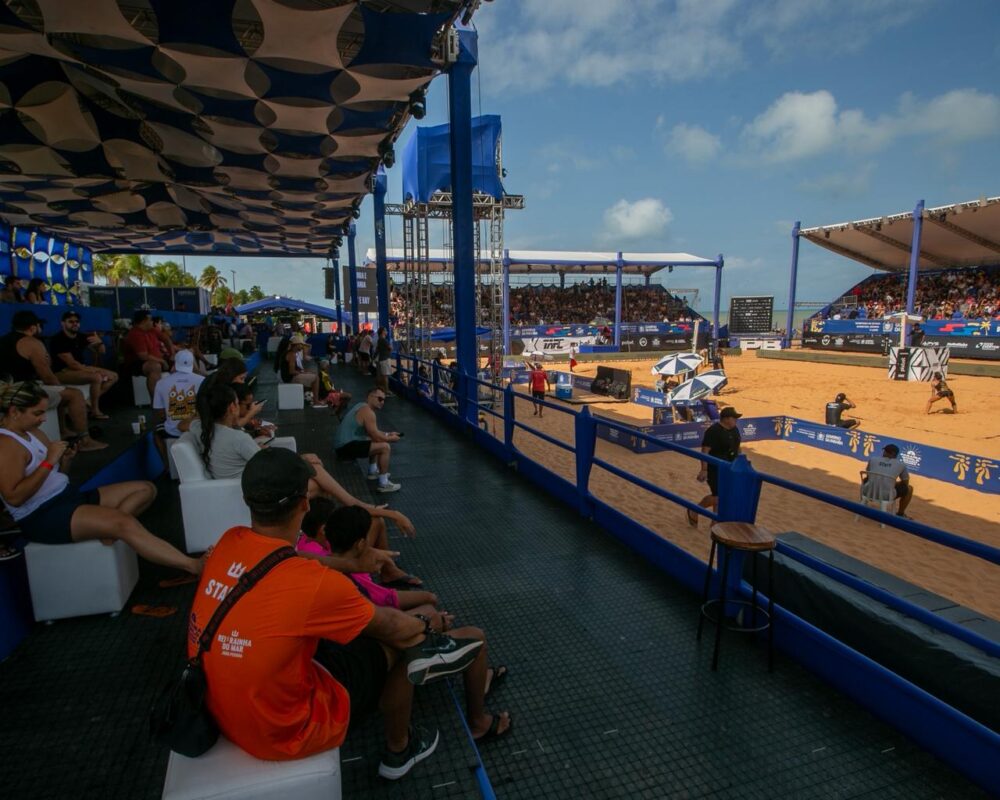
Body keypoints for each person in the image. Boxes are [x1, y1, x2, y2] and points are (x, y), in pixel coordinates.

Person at [188, 448, 486, 777]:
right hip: (285, 730)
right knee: (401, 645)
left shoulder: (228, 542)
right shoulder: (314, 584)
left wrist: (345, 564)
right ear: (305, 504)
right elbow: (394, 627)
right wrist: (430, 623)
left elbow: (289, 556)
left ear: (249, 502)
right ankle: (400, 749)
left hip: (218, 708)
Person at [308, 503, 512, 743]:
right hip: (363, 668)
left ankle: (472, 671)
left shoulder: (316, 570)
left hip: (343, 657)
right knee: (475, 637)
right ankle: (479, 722)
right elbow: (390, 626)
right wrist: (428, 622)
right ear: (362, 544)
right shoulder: (344, 586)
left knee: (427, 617)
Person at [0, 381, 202, 573]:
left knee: (146, 489)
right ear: (14, 412)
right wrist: (48, 462)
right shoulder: (6, 445)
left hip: (66, 496)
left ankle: (108, 531)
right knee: (125, 524)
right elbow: (14, 497)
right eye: (37, 413)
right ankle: (192, 566)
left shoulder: (33, 432)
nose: (43, 418)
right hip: (43, 515)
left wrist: (64, 462)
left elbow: (50, 477)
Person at [0, 310, 106, 450]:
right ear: (33, 327)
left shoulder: (2, 340)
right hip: (23, 392)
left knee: (58, 392)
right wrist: (60, 387)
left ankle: (63, 430)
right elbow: (47, 376)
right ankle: (84, 440)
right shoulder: (32, 342)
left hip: (5, 391)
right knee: (74, 395)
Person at [48, 310, 118, 420]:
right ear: (63, 323)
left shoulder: (80, 336)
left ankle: (87, 402)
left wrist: (99, 342)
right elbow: (72, 364)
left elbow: (102, 351)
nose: (75, 324)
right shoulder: (58, 339)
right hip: (61, 371)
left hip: (79, 368)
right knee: (96, 377)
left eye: (77, 321)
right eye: (71, 321)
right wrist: (92, 371)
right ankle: (95, 411)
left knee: (113, 376)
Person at [333, 387, 401, 493]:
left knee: (373, 438)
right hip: (344, 448)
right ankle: (384, 483)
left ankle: (373, 471)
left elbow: (374, 432)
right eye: (379, 399)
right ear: (370, 397)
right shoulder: (368, 412)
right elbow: (377, 436)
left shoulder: (361, 406)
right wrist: (391, 439)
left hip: (341, 446)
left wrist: (388, 434)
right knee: (385, 447)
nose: (382, 402)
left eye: (384, 400)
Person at [688, 406, 742, 527]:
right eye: (735, 418)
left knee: (722, 495)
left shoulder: (735, 430)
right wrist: (704, 469)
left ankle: (715, 520)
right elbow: (705, 450)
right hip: (715, 468)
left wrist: (741, 461)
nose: (736, 420)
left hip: (730, 467)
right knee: (718, 497)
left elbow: (737, 447)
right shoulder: (713, 431)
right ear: (727, 419)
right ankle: (695, 509)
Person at [152, 350, 204, 461]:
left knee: (156, 433)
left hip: (172, 432)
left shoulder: (161, 383)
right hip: (196, 429)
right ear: (192, 364)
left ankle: (168, 466)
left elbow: (160, 412)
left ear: (175, 364)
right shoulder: (202, 380)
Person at [123, 310, 169, 402]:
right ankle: (156, 402)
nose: (152, 322)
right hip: (135, 363)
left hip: (154, 359)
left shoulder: (151, 330)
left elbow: (166, 339)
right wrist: (162, 361)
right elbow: (143, 356)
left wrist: (172, 353)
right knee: (154, 366)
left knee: (183, 358)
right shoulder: (135, 334)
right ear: (144, 321)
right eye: (150, 320)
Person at [863, 443, 914, 519]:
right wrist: (893, 483)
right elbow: (905, 484)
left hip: (868, 491)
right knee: (909, 489)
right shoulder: (901, 464)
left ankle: (865, 503)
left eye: (885, 451)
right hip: (887, 495)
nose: (883, 453)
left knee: (866, 479)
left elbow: (868, 475)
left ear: (891, 453)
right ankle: (900, 513)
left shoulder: (873, 459)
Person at [281, 334, 327, 408]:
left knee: (312, 374)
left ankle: (313, 398)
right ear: (296, 345)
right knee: (316, 378)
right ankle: (316, 401)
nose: (302, 347)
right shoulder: (292, 355)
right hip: (290, 378)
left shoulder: (290, 353)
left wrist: (304, 372)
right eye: (301, 345)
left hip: (288, 377)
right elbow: (292, 371)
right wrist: (302, 372)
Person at [374, 327, 393, 394]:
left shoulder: (379, 340)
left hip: (382, 358)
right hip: (385, 359)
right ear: (383, 332)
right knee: (385, 376)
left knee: (382, 375)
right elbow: (390, 348)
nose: (387, 331)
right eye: (385, 330)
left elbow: (377, 349)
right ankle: (386, 390)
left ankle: (382, 389)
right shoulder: (384, 340)